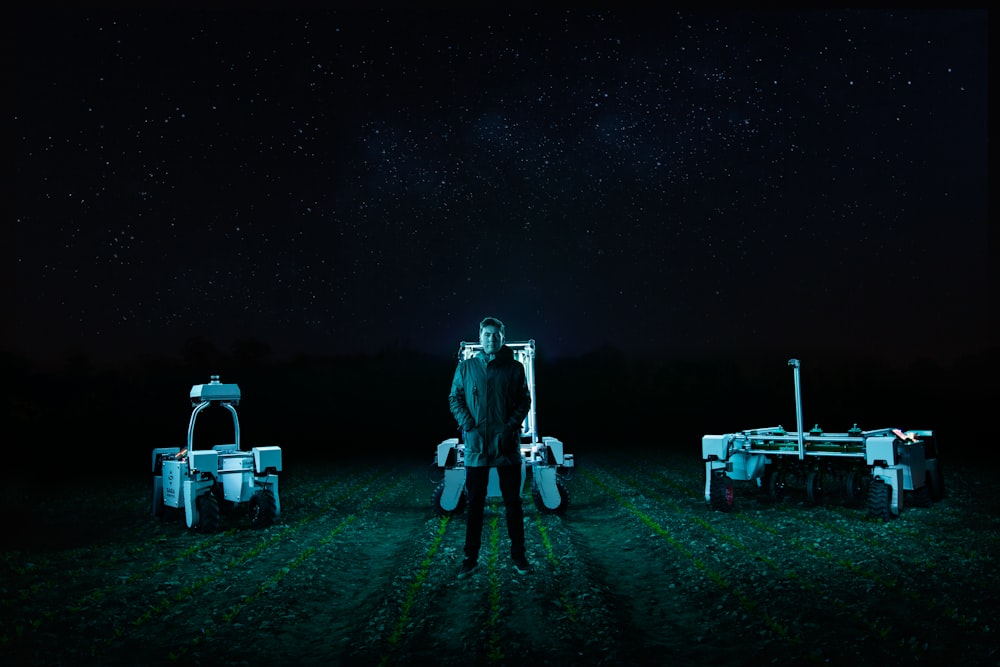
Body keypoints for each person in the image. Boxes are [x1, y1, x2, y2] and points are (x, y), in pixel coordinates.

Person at [448, 316, 533, 578]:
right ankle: (470, 559)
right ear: (480, 337)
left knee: (513, 504)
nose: (491, 339)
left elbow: (524, 401)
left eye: (496, 335)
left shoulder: (516, 368)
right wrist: (469, 426)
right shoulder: (466, 367)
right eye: (487, 334)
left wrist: (509, 428)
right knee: (474, 505)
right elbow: (455, 399)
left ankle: (519, 558)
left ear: (503, 338)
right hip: (476, 448)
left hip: (506, 447)